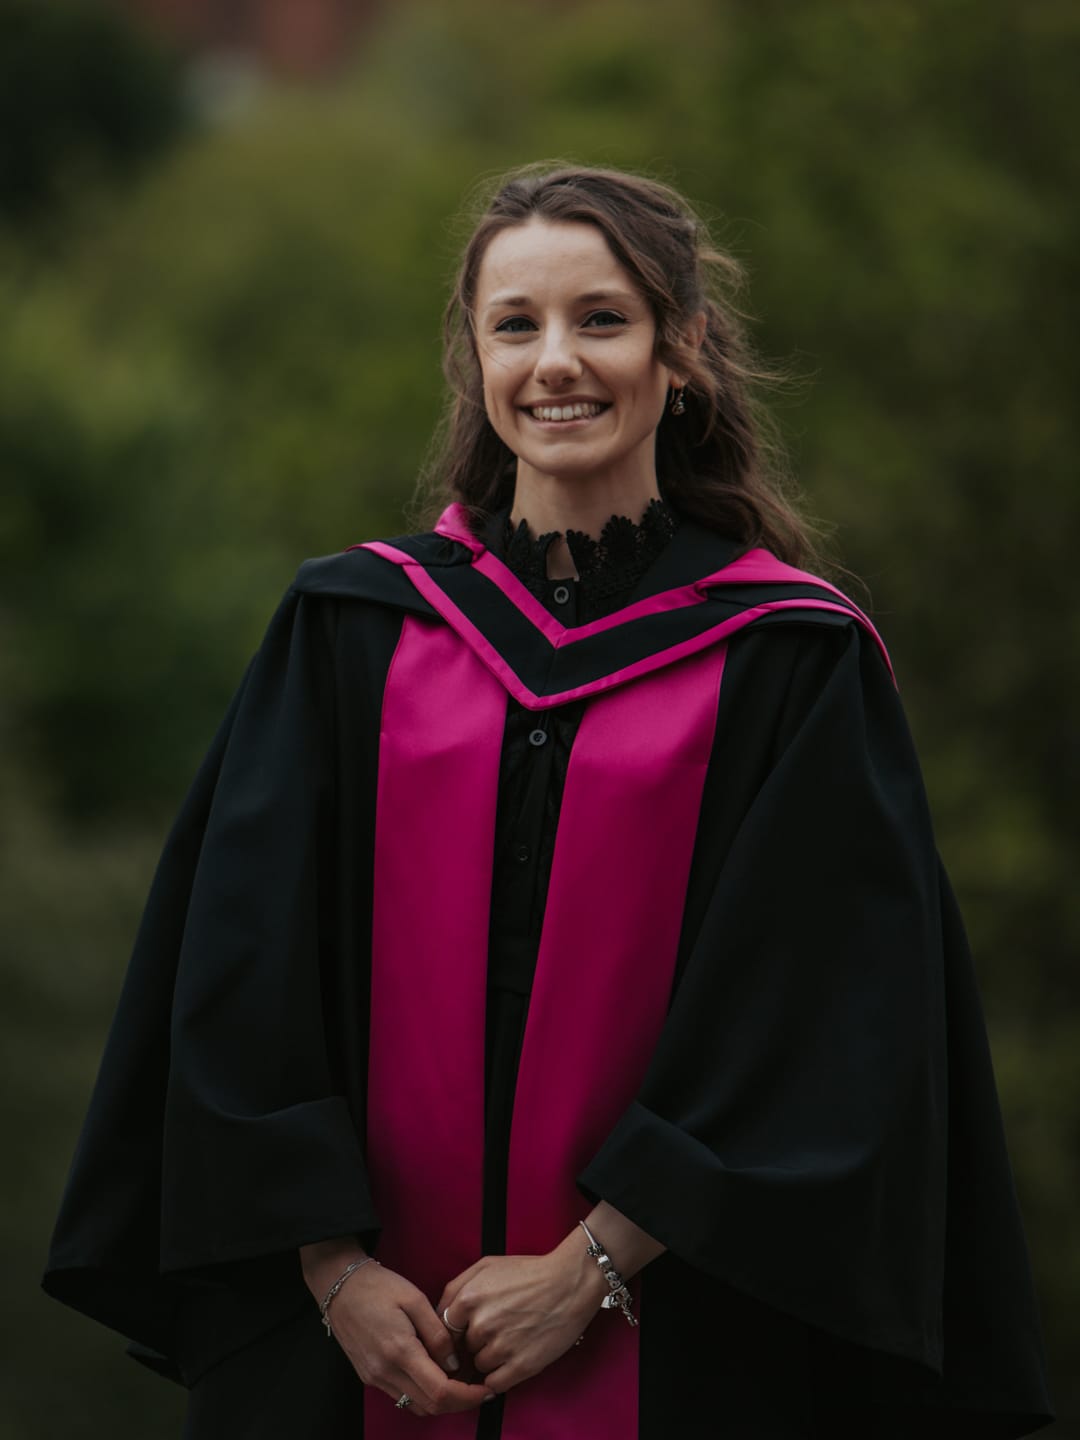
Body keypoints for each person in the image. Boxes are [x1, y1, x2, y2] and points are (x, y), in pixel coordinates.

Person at [43, 164, 1053, 1439]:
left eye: (604, 318)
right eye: (516, 324)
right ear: (475, 359)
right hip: (354, 1341)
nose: (556, 362)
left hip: (679, 1334)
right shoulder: (352, 631)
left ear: (680, 352)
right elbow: (238, 969)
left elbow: (820, 1021)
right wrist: (330, 1269)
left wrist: (592, 1270)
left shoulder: (791, 662)